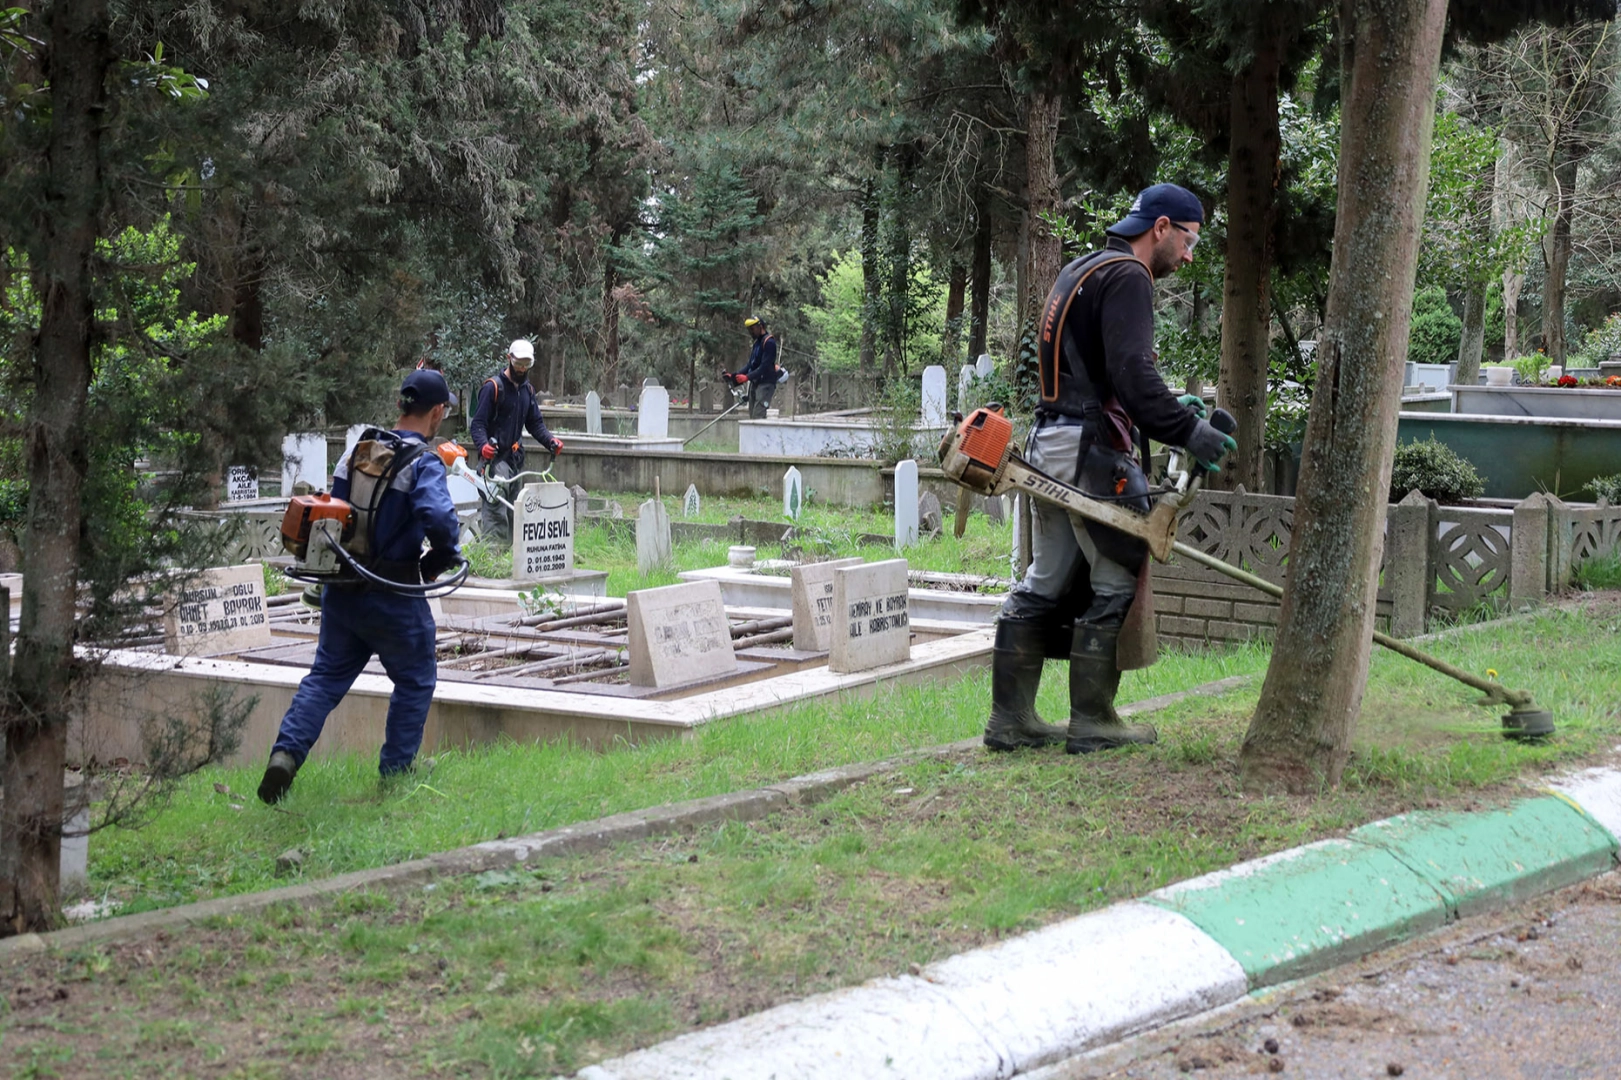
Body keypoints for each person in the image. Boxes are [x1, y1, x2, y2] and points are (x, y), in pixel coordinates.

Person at [985, 183, 1237, 755]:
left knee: (1044, 580)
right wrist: (1192, 432)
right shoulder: (1130, 277)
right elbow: (1132, 375)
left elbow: (1104, 374)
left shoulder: (1083, 268)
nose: (1190, 255)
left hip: (1048, 442)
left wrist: (1171, 409)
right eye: (1191, 240)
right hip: (1091, 454)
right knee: (1118, 572)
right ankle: (1093, 719)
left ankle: (1011, 720)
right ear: (1163, 227)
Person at [258, 370, 464, 803]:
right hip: (394, 594)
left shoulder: (356, 451)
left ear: (400, 406)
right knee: (414, 681)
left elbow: (335, 513)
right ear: (438, 412)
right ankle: (395, 772)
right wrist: (440, 558)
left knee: (325, 678)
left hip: (343, 588)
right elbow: (441, 521)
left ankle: (285, 755)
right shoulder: (423, 462)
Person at [468, 338, 563, 544]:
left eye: (526, 364)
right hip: (494, 461)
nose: (522, 368)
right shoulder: (493, 387)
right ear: (509, 359)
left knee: (516, 512)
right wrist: (483, 446)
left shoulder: (527, 391)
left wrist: (550, 441)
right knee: (495, 513)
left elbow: (535, 424)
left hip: (515, 460)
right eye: (518, 363)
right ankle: (493, 560)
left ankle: (512, 560)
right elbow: (477, 425)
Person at [736, 315, 787, 419]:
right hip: (755, 382)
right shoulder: (757, 343)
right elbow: (751, 365)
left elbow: (764, 366)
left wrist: (747, 377)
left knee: (758, 415)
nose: (751, 332)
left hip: (766, 383)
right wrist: (735, 376)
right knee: (752, 416)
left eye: (752, 328)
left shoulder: (769, 343)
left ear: (761, 327)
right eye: (749, 329)